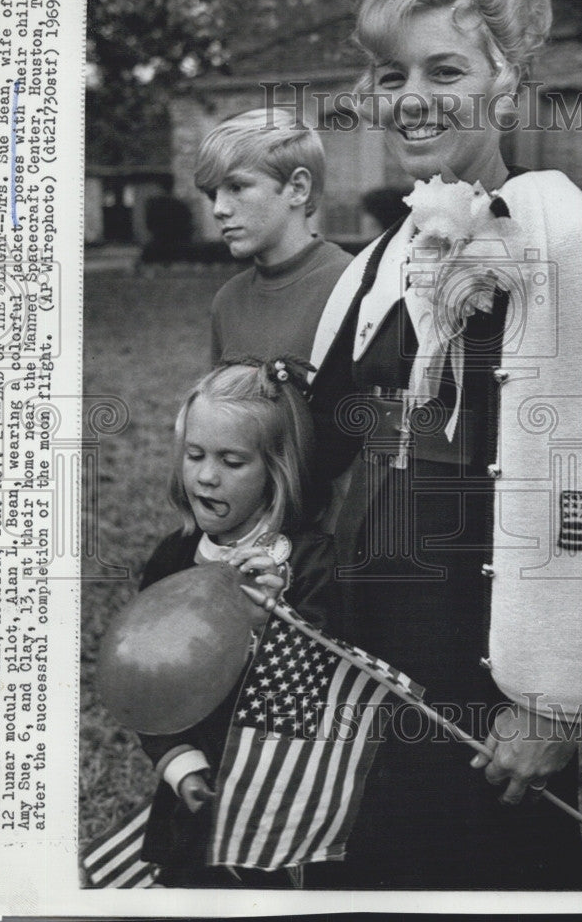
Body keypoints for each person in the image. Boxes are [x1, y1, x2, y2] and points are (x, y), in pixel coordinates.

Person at [306, 0, 582, 889]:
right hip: (372, 640)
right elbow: (327, 440)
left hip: (488, 655)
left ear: (507, 85)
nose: (413, 96)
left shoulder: (563, 242)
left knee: (490, 884)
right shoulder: (375, 260)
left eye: (446, 68)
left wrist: (554, 708)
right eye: (392, 73)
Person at [135, 358, 337, 888]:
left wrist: (267, 621)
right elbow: (143, 680)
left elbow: (317, 692)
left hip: (282, 810)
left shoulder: (310, 564)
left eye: (231, 460)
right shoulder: (172, 559)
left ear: (277, 469)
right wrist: (177, 763)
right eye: (195, 455)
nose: (205, 474)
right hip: (194, 803)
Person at [196, 109, 352, 369]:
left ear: (297, 188)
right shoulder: (228, 301)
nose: (218, 209)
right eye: (213, 194)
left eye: (236, 187)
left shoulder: (352, 286)